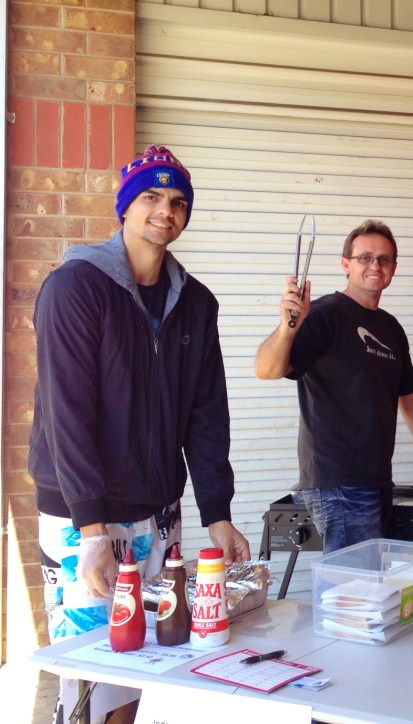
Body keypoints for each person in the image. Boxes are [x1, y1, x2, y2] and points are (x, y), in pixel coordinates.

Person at [30, 145, 251, 723]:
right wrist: (93, 527)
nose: (165, 211)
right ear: (125, 207)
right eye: (151, 197)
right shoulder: (75, 288)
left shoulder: (197, 304)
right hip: (85, 516)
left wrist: (218, 512)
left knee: (147, 673)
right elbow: (65, 411)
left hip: (158, 514)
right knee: (88, 684)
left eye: (178, 201)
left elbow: (207, 414)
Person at [254, 219, 413, 553]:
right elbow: (266, 369)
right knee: (352, 593)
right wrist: (287, 327)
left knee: (365, 591)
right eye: (365, 257)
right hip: (338, 481)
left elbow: (410, 397)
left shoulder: (390, 327)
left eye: (384, 259)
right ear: (346, 264)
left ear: (393, 267)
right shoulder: (324, 314)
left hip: (375, 480)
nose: (375, 265)